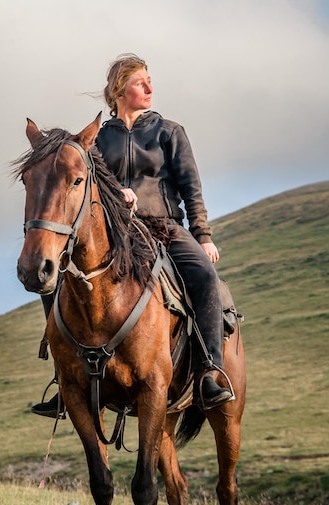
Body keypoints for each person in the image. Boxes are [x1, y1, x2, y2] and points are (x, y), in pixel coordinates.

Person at [31, 53, 233, 417]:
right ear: (119, 89)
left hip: (164, 226)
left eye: (150, 81)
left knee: (205, 276)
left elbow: (191, 188)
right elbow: (90, 184)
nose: (150, 87)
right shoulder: (95, 140)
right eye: (141, 82)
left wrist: (202, 235)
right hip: (114, 229)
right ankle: (65, 378)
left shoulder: (169, 131)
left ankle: (208, 372)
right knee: (57, 278)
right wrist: (116, 194)